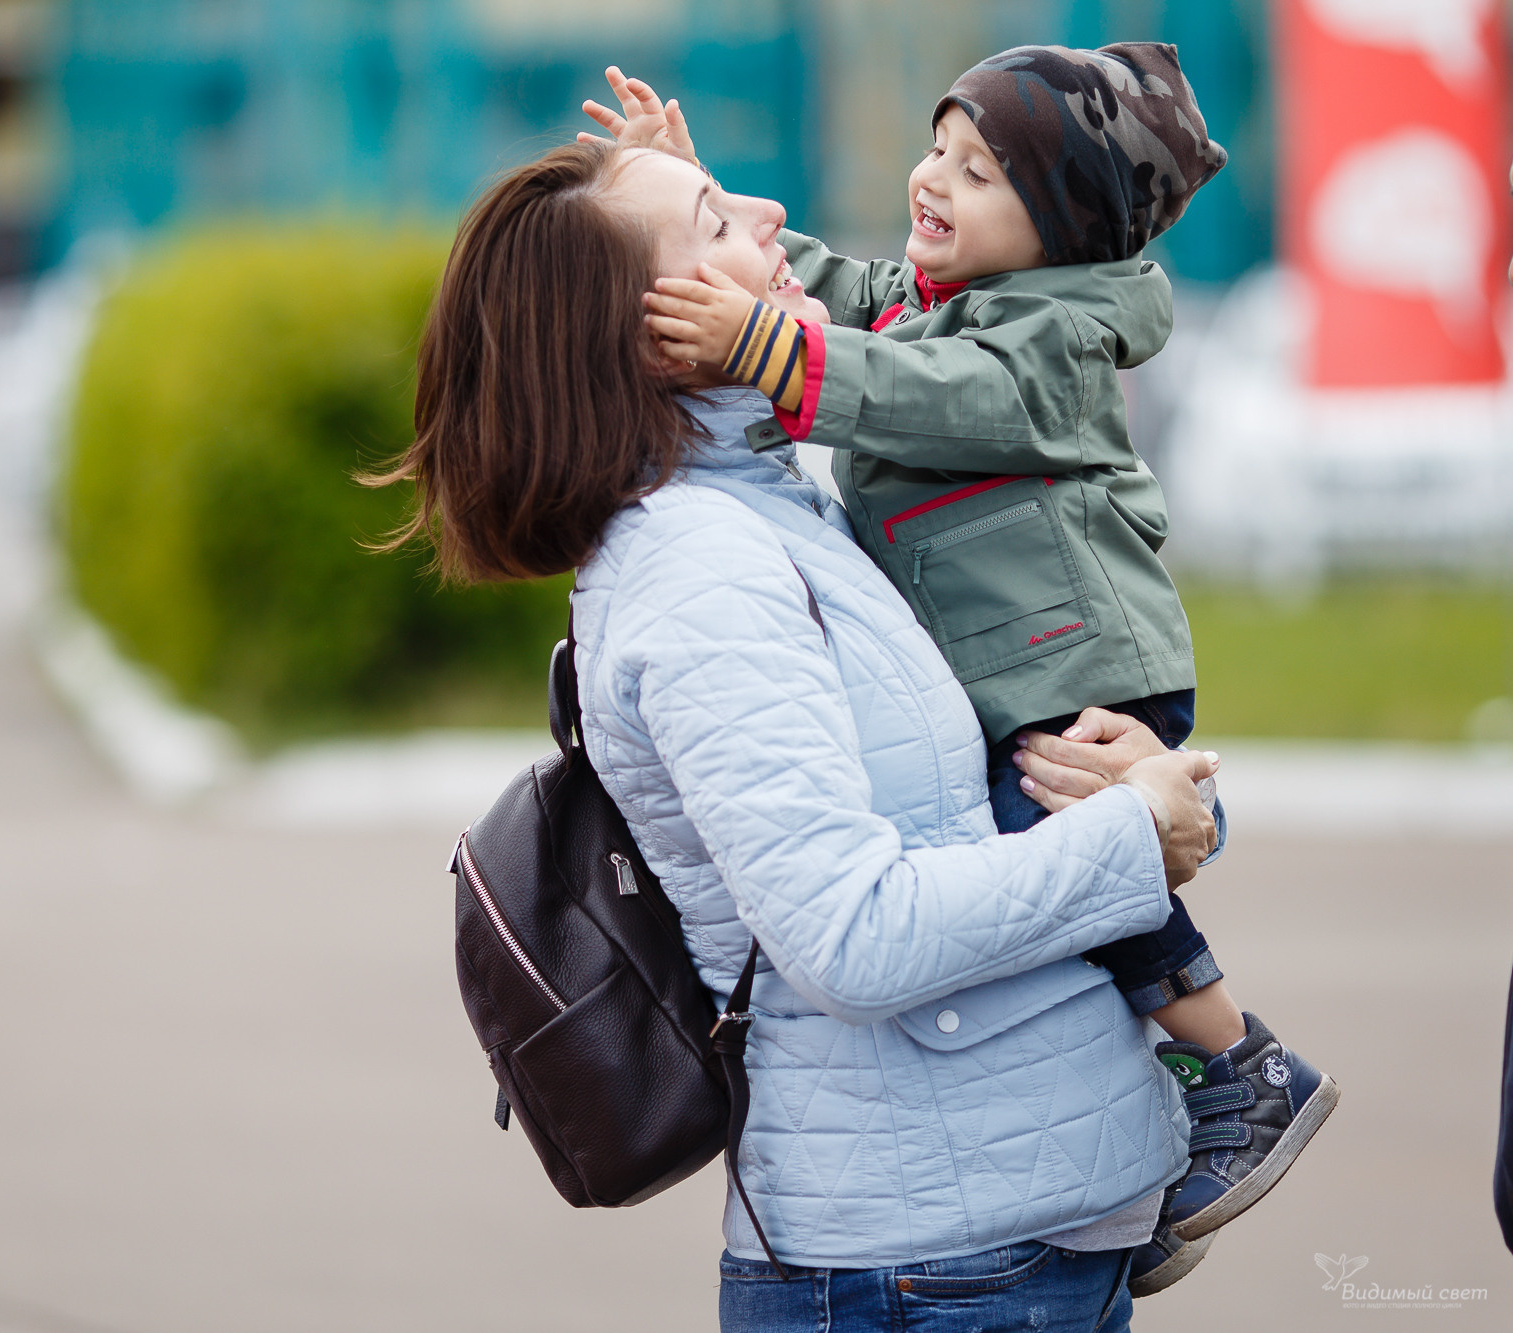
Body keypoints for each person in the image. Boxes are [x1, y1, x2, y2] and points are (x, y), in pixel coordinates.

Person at [378, 138, 1222, 1331]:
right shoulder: (699, 573)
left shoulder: (781, 514)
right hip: (926, 1267)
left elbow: (993, 796)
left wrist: (1147, 784)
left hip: (998, 1245)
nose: (772, 213)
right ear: (650, 333)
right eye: (716, 220)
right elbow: (852, 937)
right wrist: (1141, 832)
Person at [585, 49, 1338, 1273]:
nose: (932, 177)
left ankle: (1239, 1060)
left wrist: (751, 330)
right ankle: (1175, 1093)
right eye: (938, 145)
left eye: (978, 171)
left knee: (1038, 837)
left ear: (1057, 231)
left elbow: (905, 384)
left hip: (1073, 664)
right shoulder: (934, 312)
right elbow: (824, 290)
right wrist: (687, 191)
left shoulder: (1039, 343)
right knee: (1055, 852)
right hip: (1027, 667)